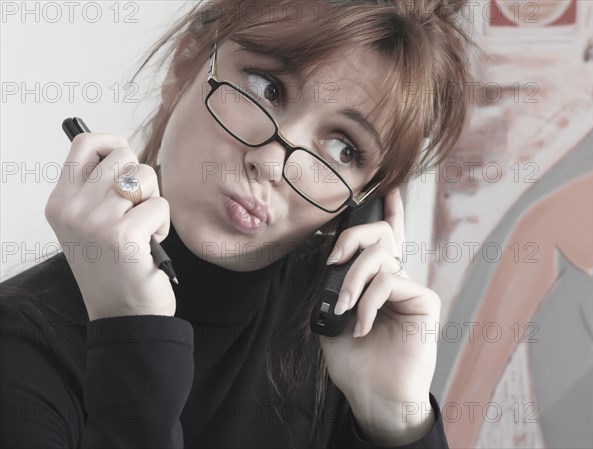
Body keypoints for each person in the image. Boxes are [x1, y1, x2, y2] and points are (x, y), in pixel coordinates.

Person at [0, 1, 475, 447]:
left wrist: (393, 420)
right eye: (267, 88)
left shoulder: (347, 342)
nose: (271, 164)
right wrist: (131, 332)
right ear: (185, 64)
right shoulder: (20, 343)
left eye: (342, 149)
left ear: (365, 199)